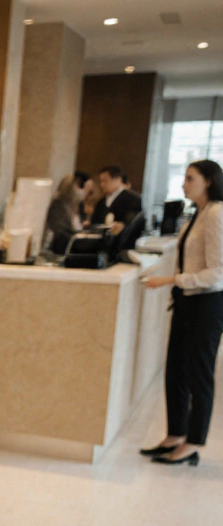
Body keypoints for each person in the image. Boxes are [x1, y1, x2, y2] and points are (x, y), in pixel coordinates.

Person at [140, 159, 223, 467]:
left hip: (207, 304)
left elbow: (217, 272)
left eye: (190, 178)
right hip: (188, 301)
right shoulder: (197, 214)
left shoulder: (216, 214)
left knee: (199, 375)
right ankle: (176, 433)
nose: (183, 184)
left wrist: (172, 280)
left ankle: (194, 441)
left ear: (209, 181)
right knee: (176, 370)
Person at [46, 172, 90, 254]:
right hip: (62, 248)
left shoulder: (73, 207)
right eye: (78, 187)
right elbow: (60, 229)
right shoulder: (58, 204)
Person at [89, 165, 143, 231]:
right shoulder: (101, 201)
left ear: (117, 180)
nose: (101, 185)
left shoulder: (132, 199)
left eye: (105, 181)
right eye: (100, 181)